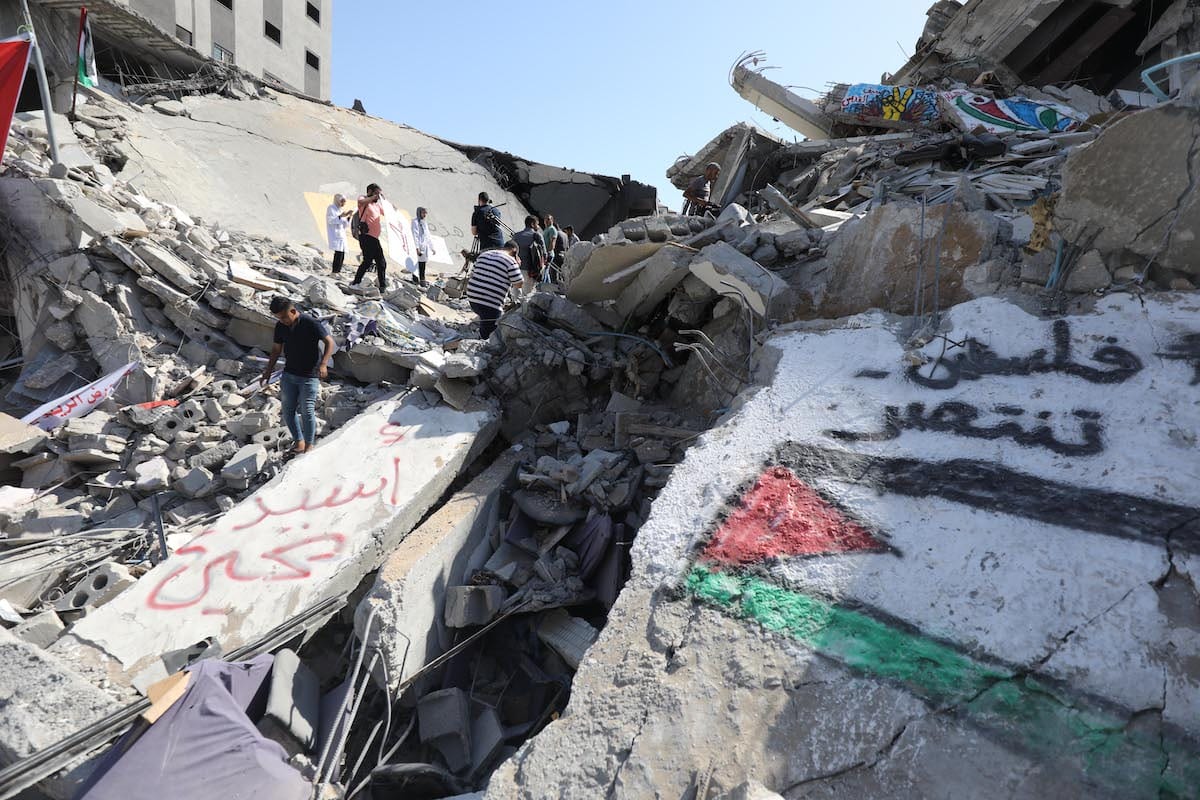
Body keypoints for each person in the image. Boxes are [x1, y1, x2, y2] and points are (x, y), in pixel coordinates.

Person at [263, 296, 335, 454]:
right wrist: (268, 371)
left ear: (293, 311)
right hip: (289, 375)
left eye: (284, 317)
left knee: (307, 410)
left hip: (309, 376)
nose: (282, 321)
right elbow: (276, 350)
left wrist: (323, 364)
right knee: (288, 410)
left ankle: (309, 446)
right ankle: (299, 442)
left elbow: (330, 342)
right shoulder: (280, 326)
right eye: (278, 318)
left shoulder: (310, 323)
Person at [466, 241, 523, 339]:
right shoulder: (511, 261)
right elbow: (519, 283)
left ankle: (481, 331)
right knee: (492, 331)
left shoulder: (484, 254)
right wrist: (517, 265)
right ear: (514, 251)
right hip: (490, 303)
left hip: (472, 298)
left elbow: (473, 274)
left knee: (485, 317)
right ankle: (484, 341)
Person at [352, 183, 387, 291]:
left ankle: (382, 286)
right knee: (367, 261)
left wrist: (386, 202)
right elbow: (361, 202)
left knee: (381, 263)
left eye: (379, 194)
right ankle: (356, 282)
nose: (377, 196)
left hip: (375, 238)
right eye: (376, 193)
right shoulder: (364, 200)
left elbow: (388, 212)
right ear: (370, 191)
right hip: (366, 236)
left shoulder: (377, 205)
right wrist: (373, 197)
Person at [513, 215, 547, 285]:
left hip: (516, 269)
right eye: (537, 224)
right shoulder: (537, 236)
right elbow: (544, 253)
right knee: (527, 294)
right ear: (532, 224)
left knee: (516, 293)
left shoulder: (516, 235)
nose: (538, 226)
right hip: (531, 271)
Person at [326, 193, 352, 274]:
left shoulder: (340, 210)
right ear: (338, 200)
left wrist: (348, 216)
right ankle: (334, 272)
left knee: (342, 253)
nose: (343, 203)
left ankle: (338, 271)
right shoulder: (331, 208)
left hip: (341, 234)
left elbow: (345, 224)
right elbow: (330, 220)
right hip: (335, 233)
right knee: (338, 253)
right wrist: (341, 216)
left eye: (344, 201)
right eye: (342, 201)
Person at [411, 206, 435, 286]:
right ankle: (415, 278)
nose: (425, 215)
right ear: (419, 212)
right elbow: (415, 235)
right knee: (416, 262)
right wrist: (417, 247)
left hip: (424, 247)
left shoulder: (424, 222)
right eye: (423, 213)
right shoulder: (415, 222)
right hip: (418, 246)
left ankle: (422, 279)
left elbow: (428, 236)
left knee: (422, 264)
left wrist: (432, 248)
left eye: (425, 213)